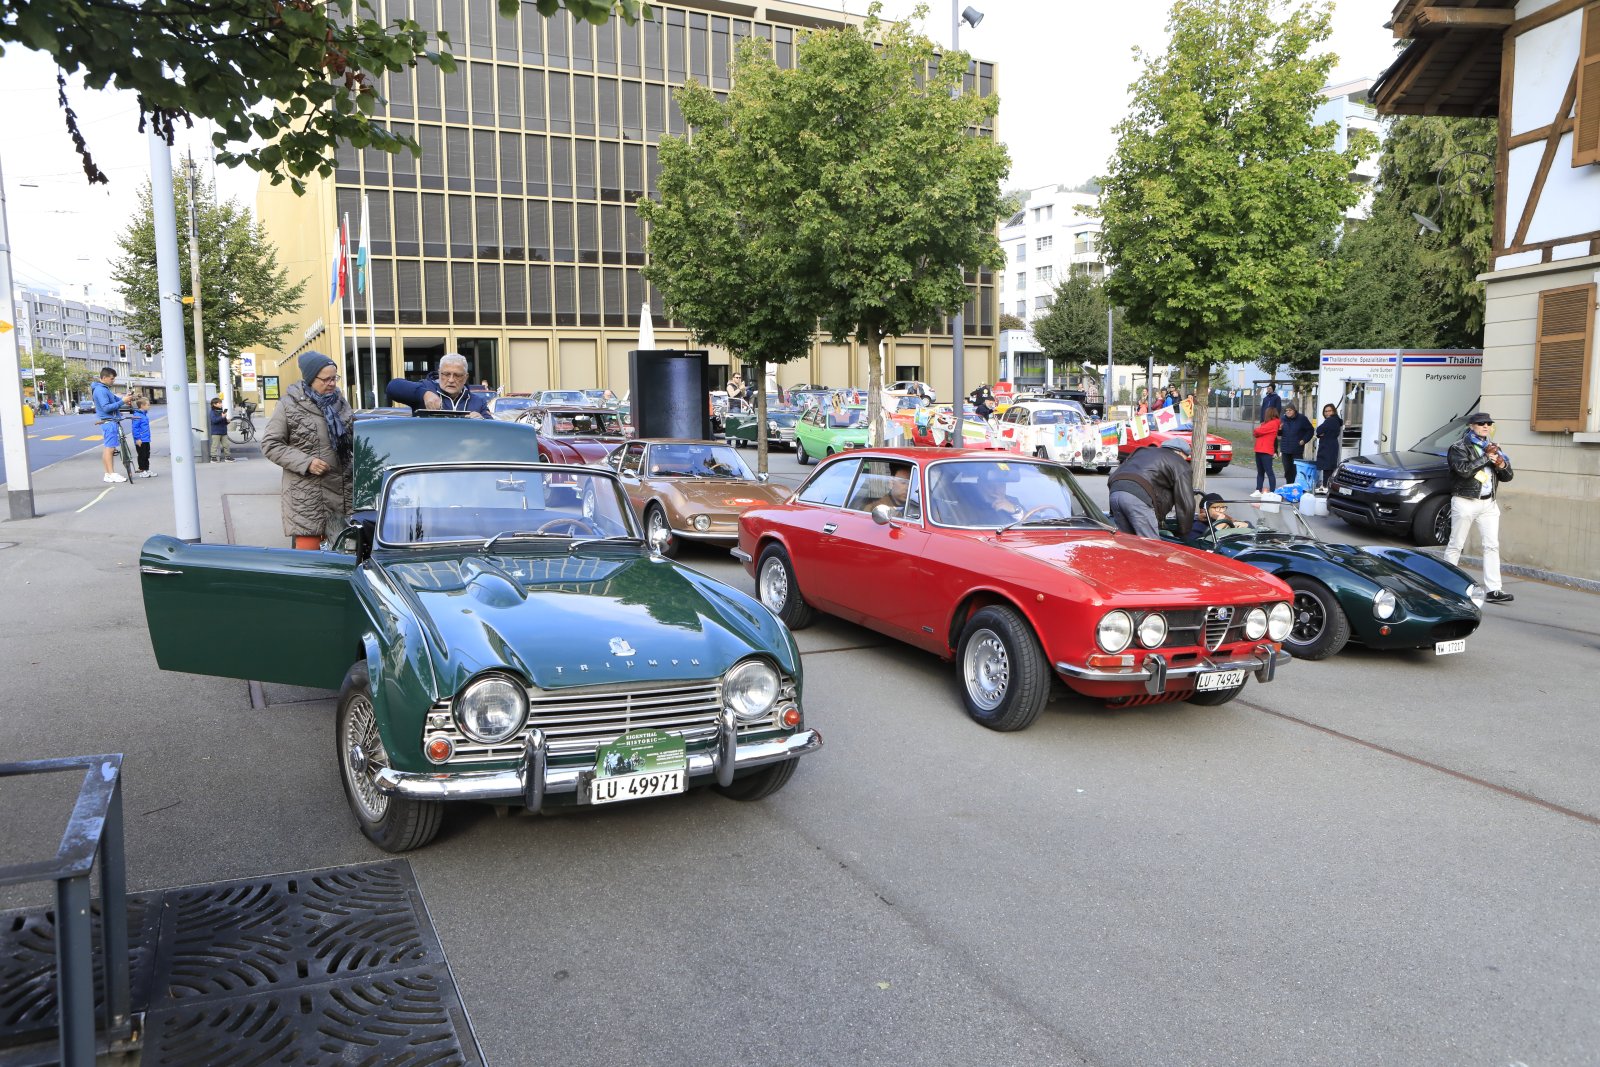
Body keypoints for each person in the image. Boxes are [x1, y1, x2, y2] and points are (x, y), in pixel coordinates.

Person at [263, 351, 355, 550]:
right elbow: (271, 444)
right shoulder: (288, 405)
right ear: (311, 378)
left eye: (335, 378)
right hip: (307, 497)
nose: (332, 383)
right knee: (309, 559)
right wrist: (307, 463)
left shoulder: (341, 403)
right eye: (326, 379)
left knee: (343, 558)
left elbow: (353, 438)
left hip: (343, 495)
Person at [1444, 412, 1515, 604]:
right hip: (1465, 501)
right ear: (1471, 426)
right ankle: (1444, 586)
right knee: (1456, 544)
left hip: (1488, 503)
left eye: (1488, 423)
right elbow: (1463, 470)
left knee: (1492, 545)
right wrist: (1486, 458)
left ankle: (1494, 589)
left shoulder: (1494, 449)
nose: (1485, 426)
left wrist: (1500, 463)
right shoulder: (1459, 447)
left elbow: (1508, 476)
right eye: (1481, 423)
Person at [1107, 438, 1195, 539]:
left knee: (1127, 541)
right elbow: (1185, 502)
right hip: (1137, 497)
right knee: (1151, 543)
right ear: (1180, 453)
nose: (1185, 460)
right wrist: (1184, 534)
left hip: (1115, 492)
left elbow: (1117, 474)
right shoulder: (1179, 462)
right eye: (1185, 457)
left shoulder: (1141, 452)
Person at [385, 354, 491, 416]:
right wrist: (424, 394)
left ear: (465, 377)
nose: (451, 380)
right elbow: (392, 387)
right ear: (439, 373)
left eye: (457, 375)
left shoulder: (478, 402)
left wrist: (481, 421)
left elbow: (492, 431)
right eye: (446, 374)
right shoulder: (426, 387)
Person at [91, 367, 135, 483]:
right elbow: (106, 407)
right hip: (109, 422)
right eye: (112, 379)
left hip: (109, 421)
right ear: (104, 377)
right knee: (110, 448)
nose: (113, 381)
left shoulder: (104, 389)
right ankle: (111, 474)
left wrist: (125, 398)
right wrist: (123, 401)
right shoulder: (101, 390)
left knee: (108, 448)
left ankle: (108, 474)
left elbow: (116, 400)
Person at [1277, 402, 1314, 487]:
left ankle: (1297, 486)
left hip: (1297, 448)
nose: (1288, 412)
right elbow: (1279, 434)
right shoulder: (1283, 419)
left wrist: (1304, 440)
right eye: (1286, 410)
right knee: (1287, 470)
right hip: (1285, 449)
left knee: (1296, 470)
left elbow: (1310, 430)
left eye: (1290, 410)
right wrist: (1279, 429)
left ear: (1294, 410)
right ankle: (1289, 485)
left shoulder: (1302, 418)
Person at [1313, 403, 1343, 491]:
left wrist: (1321, 434)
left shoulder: (1330, 420)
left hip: (1328, 446)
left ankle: (1326, 486)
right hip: (1332, 445)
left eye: (1329, 411)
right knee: (1329, 467)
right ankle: (1328, 486)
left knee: (1327, 467)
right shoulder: (1336, 420)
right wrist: (1320, 434)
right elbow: (1321, 432)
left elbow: (1319, 430)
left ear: (1334, 411)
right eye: (1325, 411)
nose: (1327, 413)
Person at [1252, 410, 1280, 496]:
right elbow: (1256, 433)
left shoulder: (1273, 423)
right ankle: (1258, 489)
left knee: (1269, 472)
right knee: (1260, 472)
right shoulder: (1266, 423)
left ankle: (1272, 491)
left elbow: (1257, 431)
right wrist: (1258, 431)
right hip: (1259, 449)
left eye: (1266, 413)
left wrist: (1258, 431)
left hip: (1266, 450)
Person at [131, 398, 157, 478]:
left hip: (146, 439)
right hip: (141, 440)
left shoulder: (143, 414)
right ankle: (142, 470)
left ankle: (147, 469)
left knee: (146, 455)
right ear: (142, 406)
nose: (149, 406)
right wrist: (137, 439)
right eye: (148, 405)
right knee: (142, 455)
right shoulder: (137, 416)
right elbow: (135, 428)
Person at [208, 396, 234, 462]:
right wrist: (222, 417)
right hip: (216, 432)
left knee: (226, 445)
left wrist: (227, 421)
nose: (221, 404)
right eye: (219, 403)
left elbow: (223, 421)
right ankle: (213, 458)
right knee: (215, 445)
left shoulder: (221, 411)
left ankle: (227, 457)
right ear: (214, 404)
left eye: (221, 403)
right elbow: (214, 420)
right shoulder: (212, 412)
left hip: (223, 431)